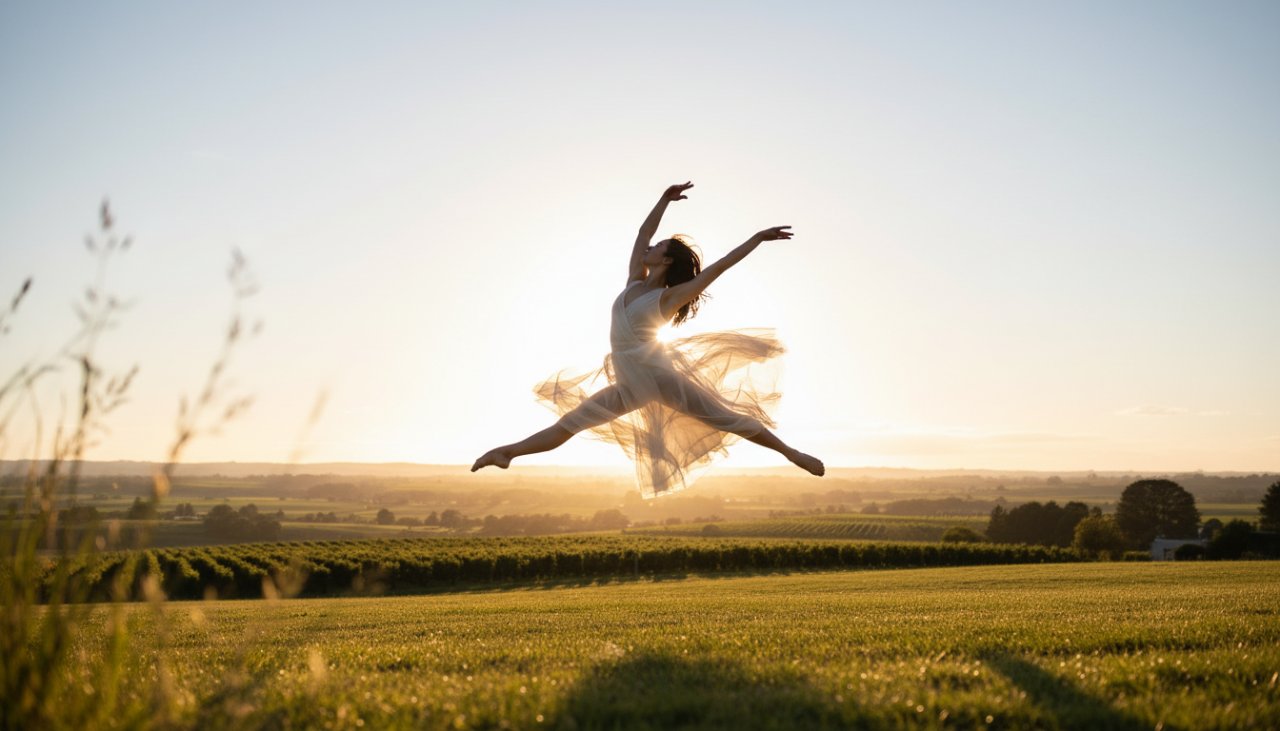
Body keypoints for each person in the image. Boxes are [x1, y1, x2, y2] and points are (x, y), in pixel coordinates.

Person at [472, 181, 824, 497]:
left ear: (666, 260)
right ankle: (507, 452)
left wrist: (756, 239)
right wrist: (663, 200)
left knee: (726, 417)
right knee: (569, 425)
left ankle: (791, 453)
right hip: (629, 382)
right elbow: (642, 233)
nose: (649, 247)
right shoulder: (634, 283)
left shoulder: (669, 298)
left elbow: (719, 267)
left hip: (656, 376)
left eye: (658, 247)